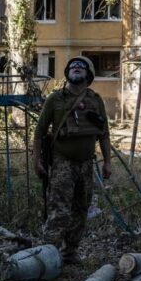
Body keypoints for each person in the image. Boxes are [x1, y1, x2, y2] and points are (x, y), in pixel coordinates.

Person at [33, 56, 112, 264]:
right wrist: (36, 160)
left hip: (87, 164)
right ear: (67, 73)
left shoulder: (95, 100)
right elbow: (40, 132)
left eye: (82, 67)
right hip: (62, 163)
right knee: (59, 210)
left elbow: (104, 133)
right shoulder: (55, 99)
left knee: (81, 209)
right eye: (73, 67)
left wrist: (107, 162)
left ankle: (70, 253)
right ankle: (47, 256)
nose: (76, 69)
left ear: (89, 74)